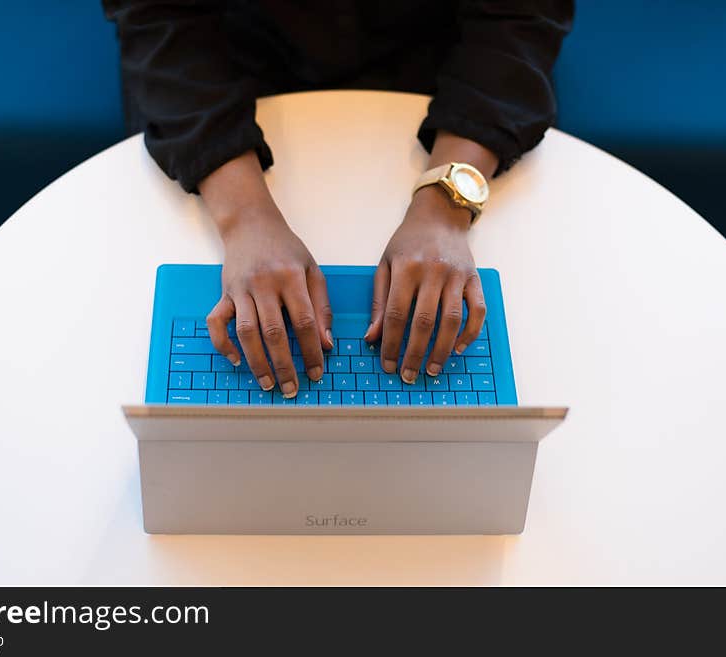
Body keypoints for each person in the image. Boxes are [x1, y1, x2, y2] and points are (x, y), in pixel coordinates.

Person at [103, 0, 573, 398]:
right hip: (218, 76)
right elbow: (159, 14)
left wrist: (444, 205)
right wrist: (246, 216)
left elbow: (522, 13)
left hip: (450, 73)